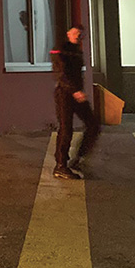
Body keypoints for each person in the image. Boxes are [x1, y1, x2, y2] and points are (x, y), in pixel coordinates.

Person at [50, 24, 100, 179]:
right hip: (65, 94)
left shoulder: (77, 51)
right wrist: (75, 91)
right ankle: (60, 165)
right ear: (68, 33)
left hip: (77, 94)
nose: (78, 36)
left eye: (80, 34)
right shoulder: (60, 50)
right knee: (66, 129)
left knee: (93, 124)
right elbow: (61, 73)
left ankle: (79, 157)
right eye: (75, 33)